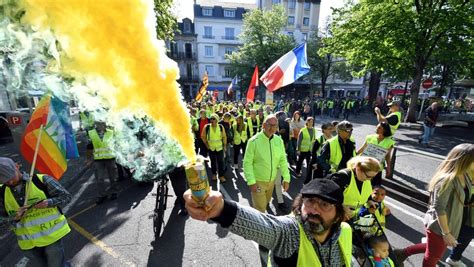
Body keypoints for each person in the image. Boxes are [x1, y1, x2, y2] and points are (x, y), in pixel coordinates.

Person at [184, 178, 352, 266]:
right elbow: (265, 226)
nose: (314, 210)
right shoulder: (290, 233)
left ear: (338, 215)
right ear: (300, 205)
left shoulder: (345, 231)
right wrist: (220, 209)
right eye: (309, 201)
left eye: (324, 205)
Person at [396, 143, 473, 267]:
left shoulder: (465, 175)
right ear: (465, 161)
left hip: (453, 223)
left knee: (434, 248)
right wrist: (446, 234)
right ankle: (403, 253)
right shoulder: (447, 179)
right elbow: (440, 207)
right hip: (440, 225)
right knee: (434, 255)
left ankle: (403, 252)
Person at [0, 157, 72, 267]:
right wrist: (14, 218)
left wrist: (49, 202)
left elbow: (66, 196)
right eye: (4, 180)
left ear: (17, 166)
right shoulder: (1, 192)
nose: (10, 181)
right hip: (28, 244)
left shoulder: (42, 180)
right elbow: (2, 222)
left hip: (52, 236)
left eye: (11, 176)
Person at [243, 115, 290, 212]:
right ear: (264, 125)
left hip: (271, 181)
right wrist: (251, 182)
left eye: (275, 125)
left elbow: (283, 160)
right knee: (260, 209)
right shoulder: (253, 141)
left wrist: (286, 178)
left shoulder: (278, 140)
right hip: (258, 182)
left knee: (266, 202)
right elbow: (247, 163)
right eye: (270, 125)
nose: (272, 128)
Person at [87, 121, 119, 204]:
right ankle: (102, 195)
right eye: (99, 123)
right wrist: (89, 159)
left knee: (113, 177)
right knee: (99, 179)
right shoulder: (91, 133)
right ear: (96, 124)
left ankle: (114, 192)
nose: (102, 125)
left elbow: (116, 144)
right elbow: (89, 147)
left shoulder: (111, 132)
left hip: (110, 158)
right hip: (98, 160)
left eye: (103, 123)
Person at [201, 114, 227, 183]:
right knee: (213, 162)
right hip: (211, 148)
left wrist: (224, 146)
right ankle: (214, 174)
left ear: (217, 120)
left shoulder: (221, 127)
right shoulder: (207, 127)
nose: (211, 120)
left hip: (219, 148)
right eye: (211, 119)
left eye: (213, 119)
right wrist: (207, 145)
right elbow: (203, 136)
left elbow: (224, 137)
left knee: (221, 162)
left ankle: (221, 176)